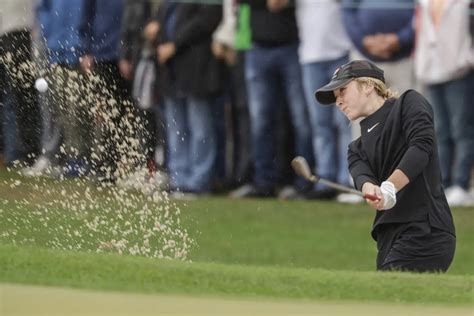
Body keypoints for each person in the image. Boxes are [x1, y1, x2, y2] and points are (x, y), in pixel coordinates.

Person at [315, 60, 456, 272]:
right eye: (336, 97)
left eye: (343, 90)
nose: (338, 101)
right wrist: (371, 190)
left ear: (368, 85)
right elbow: (361, 177)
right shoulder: (356, 148)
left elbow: (421, 148)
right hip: (388, 238)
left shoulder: (409, 104)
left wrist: (390, 186)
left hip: (426, 229)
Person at [414, 0, 474, 206]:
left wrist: (467, 58)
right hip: (432, 72)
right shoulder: (423, 2)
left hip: (461, 72)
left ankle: (462, 184)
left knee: (462, 130)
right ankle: (444, 183)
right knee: (440, 131)